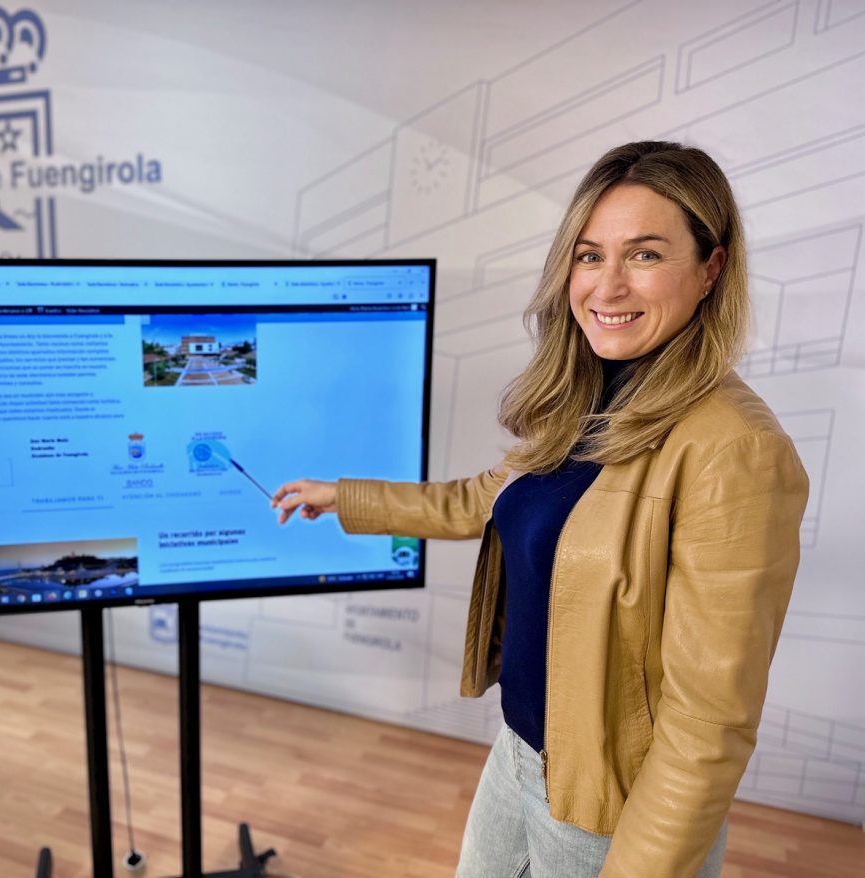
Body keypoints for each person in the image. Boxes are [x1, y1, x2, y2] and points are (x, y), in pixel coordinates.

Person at [271, 141, 808, 877]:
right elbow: (483, 500)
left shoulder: (737, 450)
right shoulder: (589, 395)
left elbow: (708, 727)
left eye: (645, 255)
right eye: (589, 256)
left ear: (711, 268)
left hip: (612, 808)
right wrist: (345, 497)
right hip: (521, 753)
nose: (608, 286)